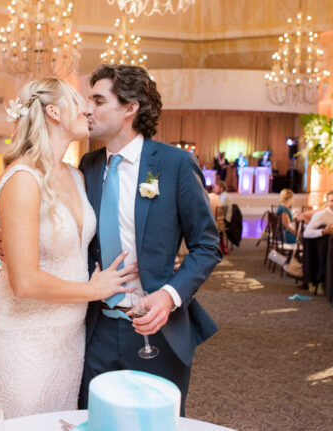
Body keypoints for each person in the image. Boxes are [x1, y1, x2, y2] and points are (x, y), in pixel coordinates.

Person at [0, 77, 136, 418]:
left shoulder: (75, 175)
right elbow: (24, 283)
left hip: (68, 337)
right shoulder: (23, 178)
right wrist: (92, 290)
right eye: (79, 100)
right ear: (53, 111)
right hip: (22, 338)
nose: (87, 109)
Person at [76, 64, 220, 416]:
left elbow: (207, 245)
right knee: (96, 421)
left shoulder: (174, 164)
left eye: (97, 100)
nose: (87, 109)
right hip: (96, 328)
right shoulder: (88, 165)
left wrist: (169, 297)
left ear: (130, 107)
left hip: (157, 330)